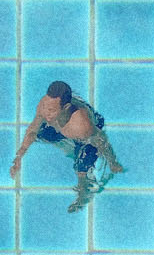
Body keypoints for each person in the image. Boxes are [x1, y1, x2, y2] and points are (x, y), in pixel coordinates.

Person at [10, 81, 123, 212]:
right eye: (46, 106)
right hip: (65, 127)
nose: (46, 113)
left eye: (51, 110)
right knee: (41, 132)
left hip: (89, 132)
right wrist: (19, 157)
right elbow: (32, 131)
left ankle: (83, 196)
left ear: (65, 108)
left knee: (81, 167)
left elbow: (101, 141)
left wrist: (112, 162)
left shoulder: (82, 126)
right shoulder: (44, 106)